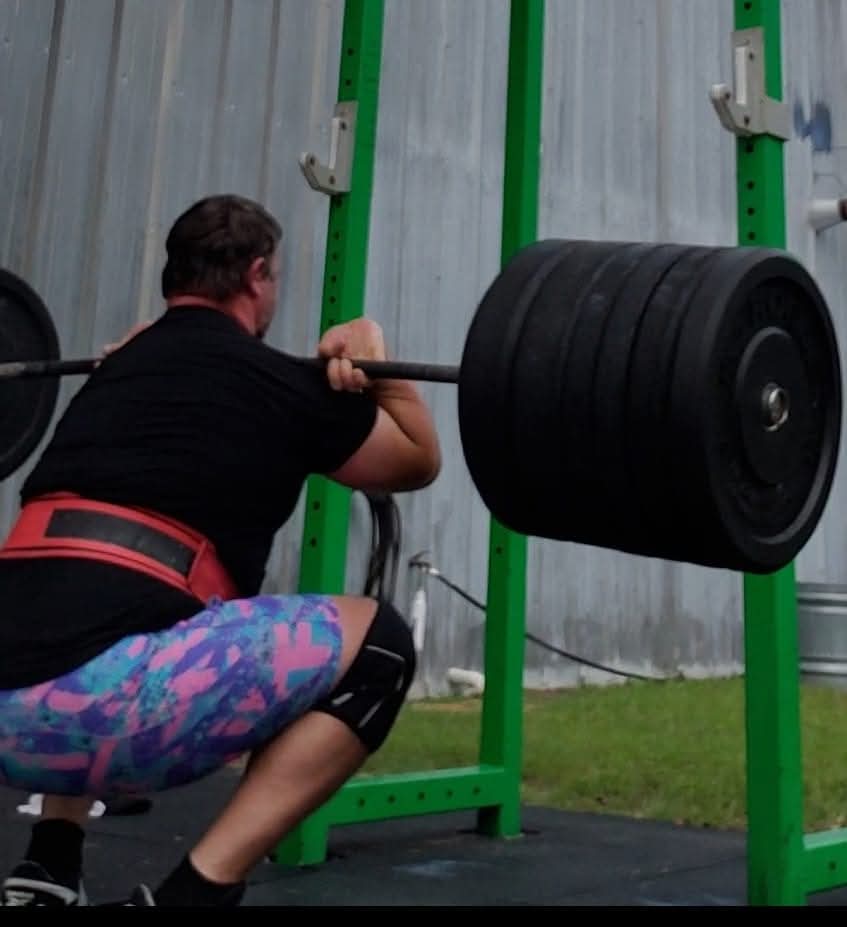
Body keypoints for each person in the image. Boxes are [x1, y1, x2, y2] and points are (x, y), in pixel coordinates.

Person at [0, 193, 441, 906]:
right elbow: (417, 460)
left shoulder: (115, 371)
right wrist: (377, 363)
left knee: (84, 593)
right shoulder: (284, 384)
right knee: (381, 648)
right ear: (258, 274)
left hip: (10, 722)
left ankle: (49, 865)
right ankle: (197, 893)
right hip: (112, 715)